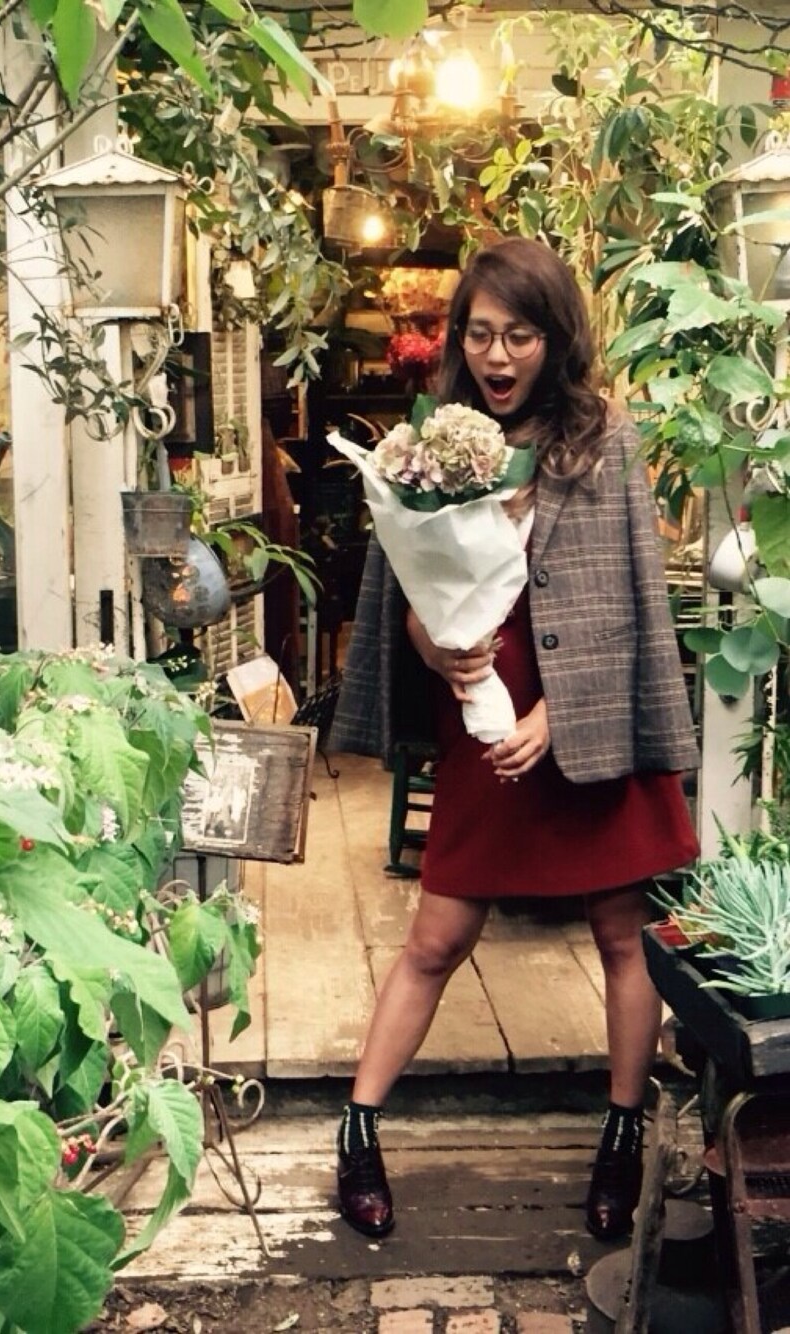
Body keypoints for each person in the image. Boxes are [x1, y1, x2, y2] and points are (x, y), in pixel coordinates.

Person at [329, 237, 700, 1244]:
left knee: (621, 934)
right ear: (459, 337)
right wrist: (435, 645)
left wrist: (559, 715)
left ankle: (621, 1138)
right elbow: (404, 590)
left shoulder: (603, 437)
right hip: (484, 714)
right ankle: (357, 1132)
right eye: (481, 334)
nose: (497, 356)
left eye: (520, 336)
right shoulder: (428, 441)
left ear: (555, 338)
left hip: (582, 716)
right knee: (437, 938)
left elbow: (632, 601)